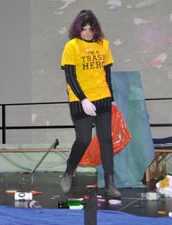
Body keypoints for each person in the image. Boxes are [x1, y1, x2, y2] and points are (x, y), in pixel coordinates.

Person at [60, 9, 121, 198]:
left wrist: (111, 98)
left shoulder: (104, 45)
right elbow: (70, 75)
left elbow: (107, 73)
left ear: (95, 29)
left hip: (102, 96)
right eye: (84, 29)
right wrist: (83, 98)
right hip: (80, 100)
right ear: (78, 29)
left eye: (90, 28)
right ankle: (70, 170)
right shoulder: (72, 46)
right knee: (84, 138)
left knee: (106, 140)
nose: (87, 32)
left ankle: (110, 182)